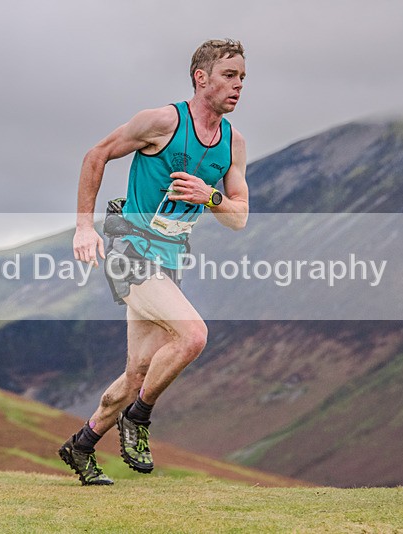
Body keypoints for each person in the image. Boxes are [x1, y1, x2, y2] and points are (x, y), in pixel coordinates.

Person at [59, 39, 248, 485]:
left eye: (242, 78)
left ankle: (81, 445)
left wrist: (212, 196)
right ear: (201, 78)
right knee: (194, 335)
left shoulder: (233, 144)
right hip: (130, 249)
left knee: (137, 373)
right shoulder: (162, 122)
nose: (238, 85)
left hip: (169, 260)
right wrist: (84, 227)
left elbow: (238, 217)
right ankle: (138, 418)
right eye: (229, 75)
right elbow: (96, 154)